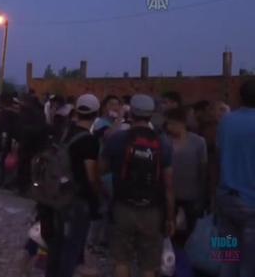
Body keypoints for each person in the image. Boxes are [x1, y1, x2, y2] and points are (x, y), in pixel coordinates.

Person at [102, 94, 175, 277]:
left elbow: (101, 170)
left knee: (121, 260)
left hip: (122, 206)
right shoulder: (163, 143)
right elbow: (168, 186)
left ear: (131, 113)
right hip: (152, 209)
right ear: (151, 115)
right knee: (148, 265)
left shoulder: (117, 139)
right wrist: (170, 217)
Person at [38, 94, 102, 277]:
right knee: (71, 249)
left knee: (55, 247)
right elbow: (90, 176)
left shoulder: (63, 132)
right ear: (96, 113)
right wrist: (97, 196)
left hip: (53, 196)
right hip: (76, 200)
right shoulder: (89, 141)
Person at [216, 79, 255, 277]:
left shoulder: (226, 121)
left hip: (226, 200)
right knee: (249, 265)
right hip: (251, 204)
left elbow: (217, 157)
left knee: (227, 257)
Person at [165, 107, 208, 247]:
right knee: (169, 230)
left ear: (182, 123)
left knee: (192, 230)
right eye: (168, 123)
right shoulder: (165, 141)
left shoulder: (198, 142)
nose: (169, 127)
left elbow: (203, 169)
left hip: (192, 194)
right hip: (170, 194)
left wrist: (202, 194)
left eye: (172, 123)